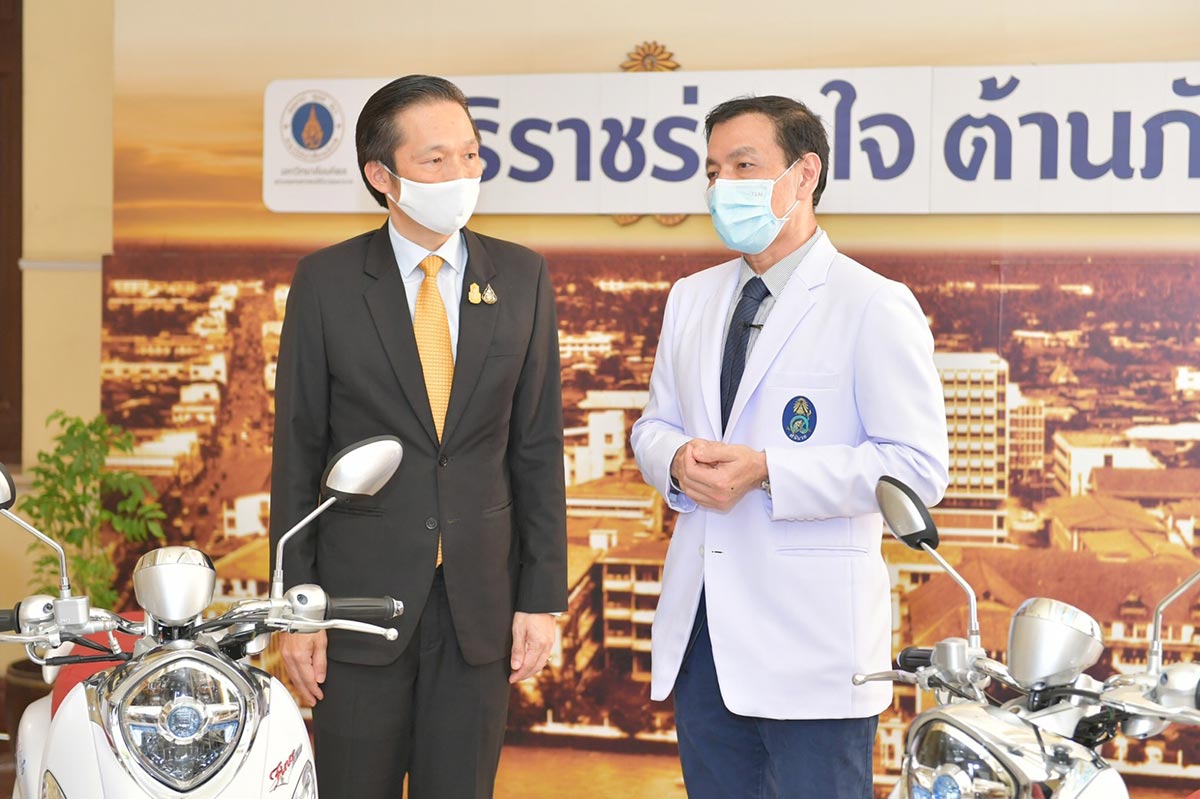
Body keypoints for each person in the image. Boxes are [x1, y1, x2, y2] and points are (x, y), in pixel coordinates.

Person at [630, 95, 949, 798]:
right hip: (703, 637)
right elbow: (653, 427)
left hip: (813, 644)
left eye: (744, 166)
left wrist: (769, 471)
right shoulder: (690, 297)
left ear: (805, 174)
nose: (722, 185)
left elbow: (918, 468)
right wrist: (675, 462)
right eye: (713, 170)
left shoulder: (872, 302)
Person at [269, 74, 567, 799]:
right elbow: (298, 452)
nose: (461, 174)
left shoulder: (521, 277)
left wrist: (541, 598)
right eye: (435, 160)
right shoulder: (327, 282)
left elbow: (535, 448)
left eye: (470, 154)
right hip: (358, 606)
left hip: (479, 608)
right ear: (383, 176)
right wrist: (298, 609)